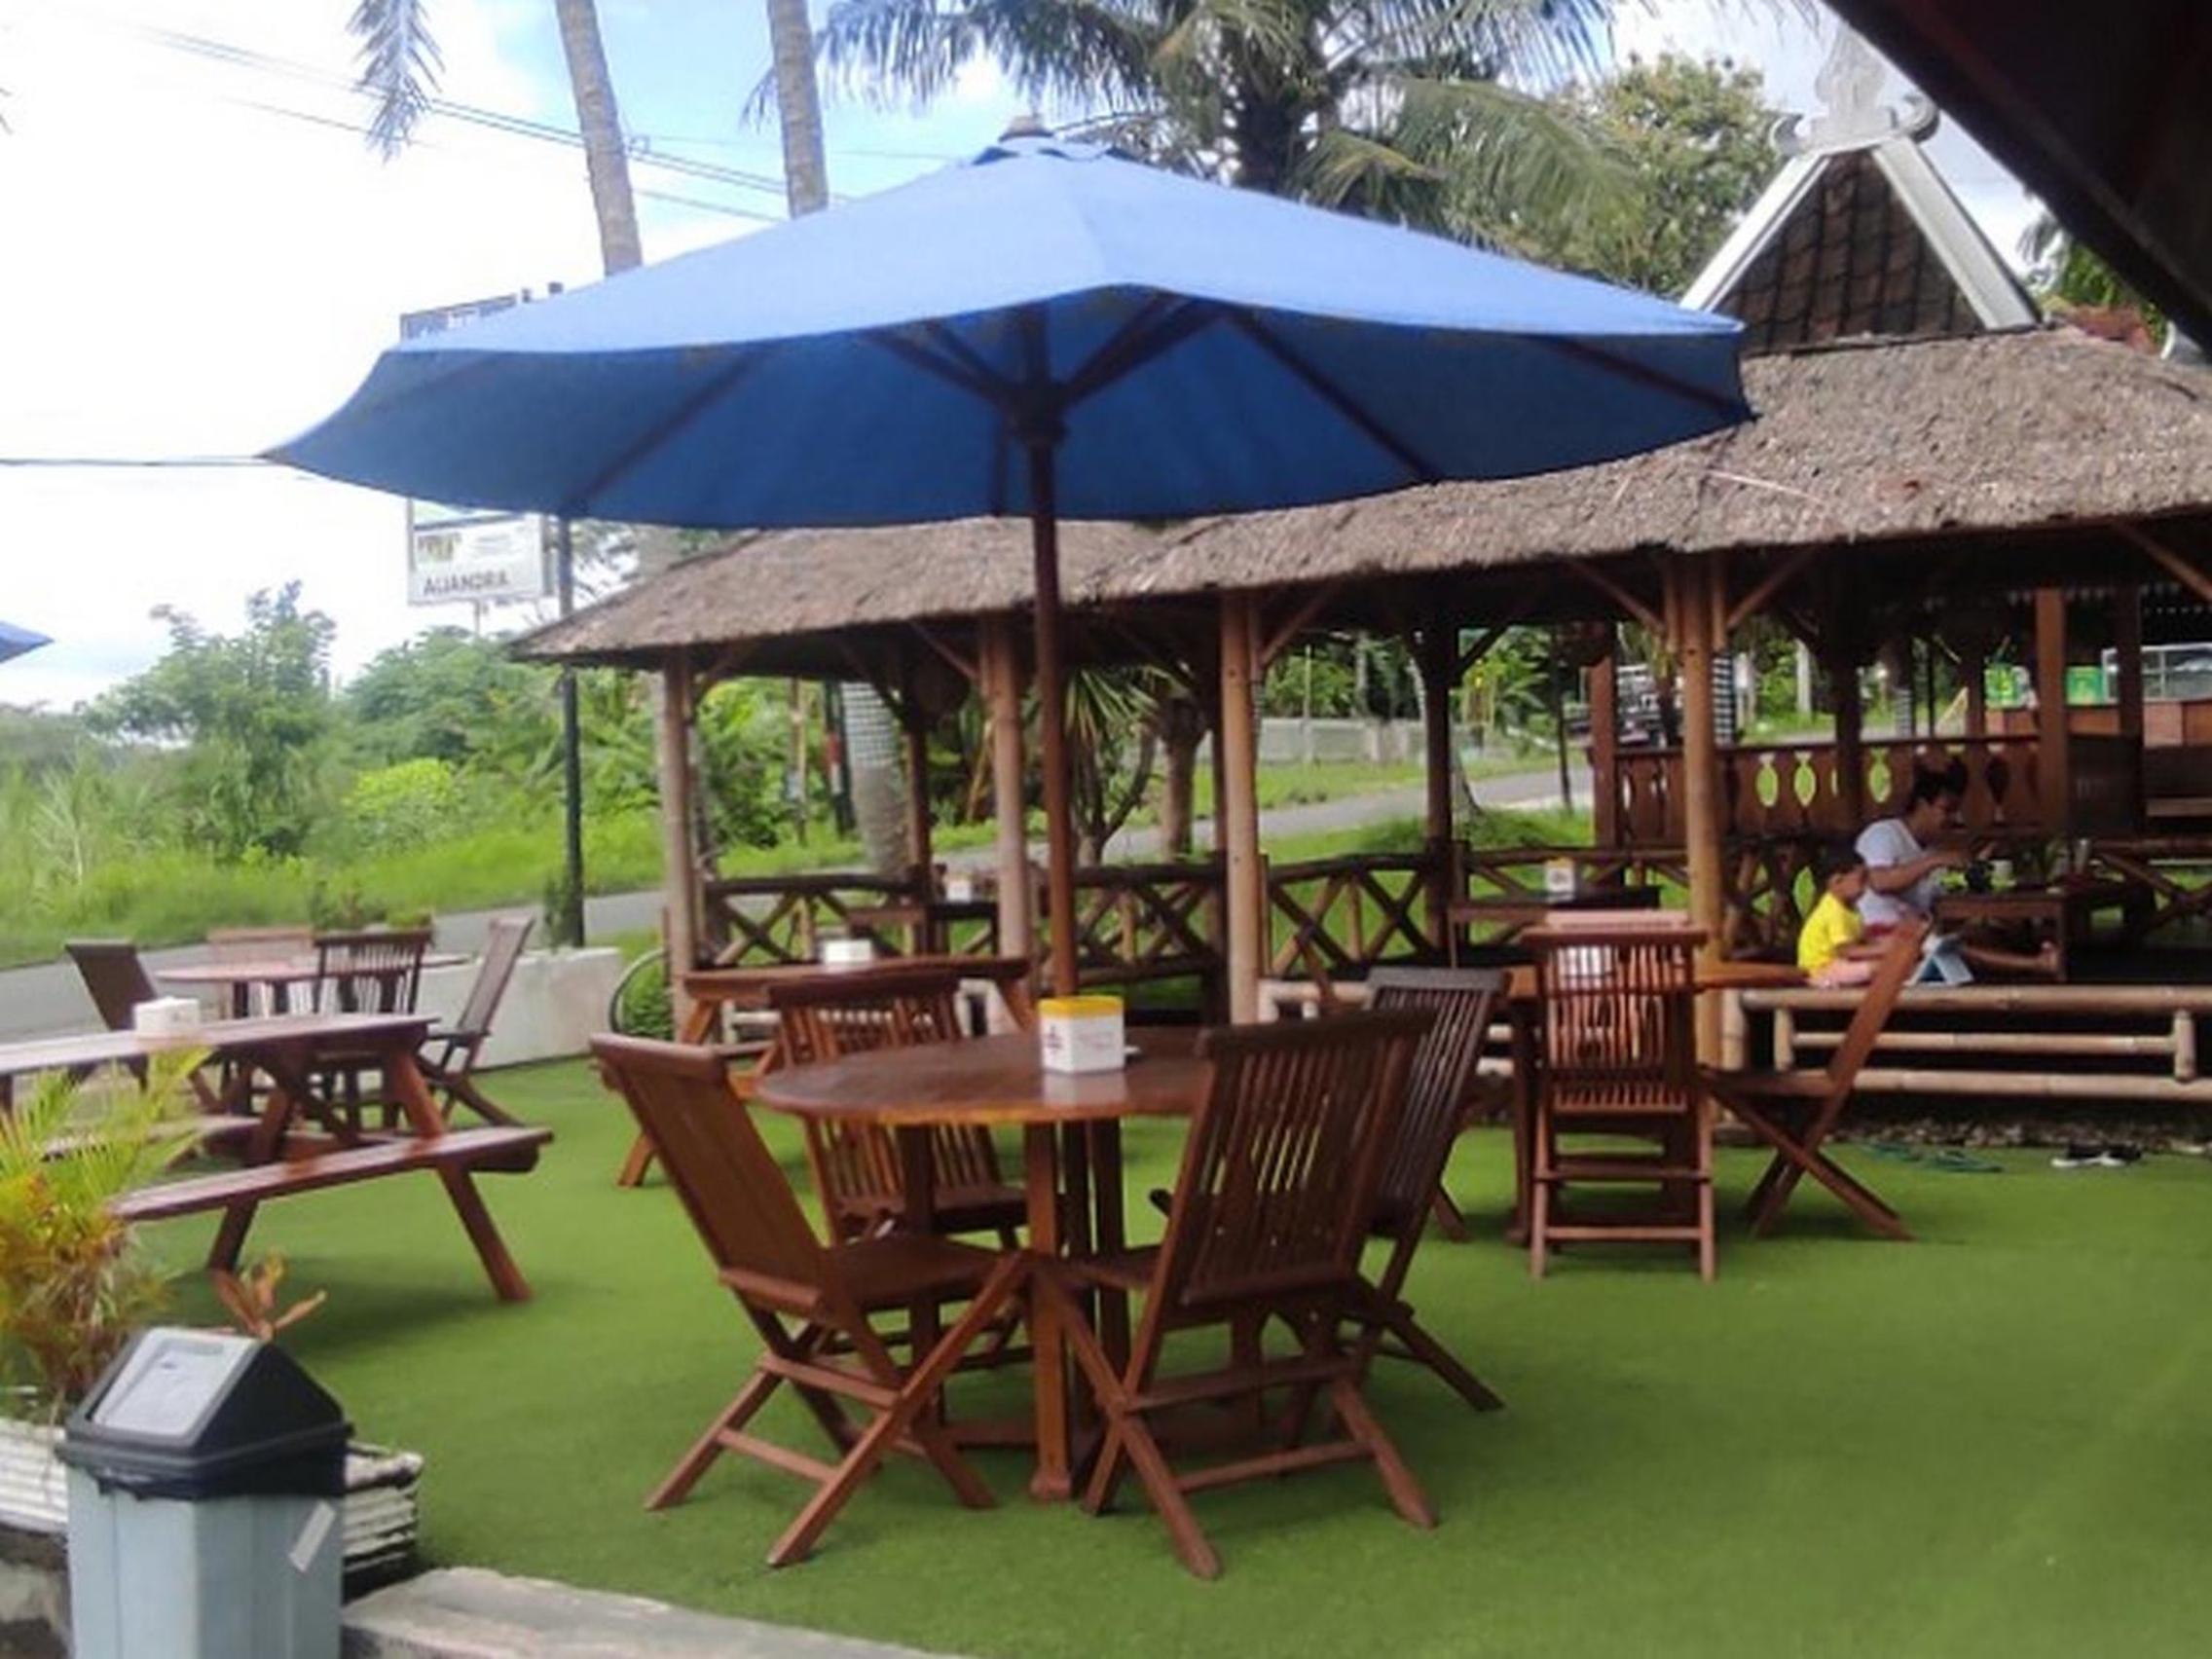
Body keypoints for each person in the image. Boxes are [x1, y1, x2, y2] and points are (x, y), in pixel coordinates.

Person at [1855, 765, 2056, 978]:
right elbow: (1880, 881)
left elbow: (1945, 891)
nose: (1952, 818)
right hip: (1882, 930)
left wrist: (1978, 867)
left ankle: (2039, 961)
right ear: (1922, 805)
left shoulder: (1930, 850)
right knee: (1953, 947)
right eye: (1946, 810)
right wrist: (1934, 861)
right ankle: (2038, 964)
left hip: (1920, 928)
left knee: (1988, 934)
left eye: (1955, 811)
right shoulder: (1884, 834)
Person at [1797, 844, 1885, 986]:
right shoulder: (1833, 910)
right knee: (1878, 968)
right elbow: (1845, 950)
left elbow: (1862, 939)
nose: (1866, 887)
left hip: (1839, 963)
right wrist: (1882, 950)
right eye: (1861, 880)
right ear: (1837, 881)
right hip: (1821, 969)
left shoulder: (1852, 908)